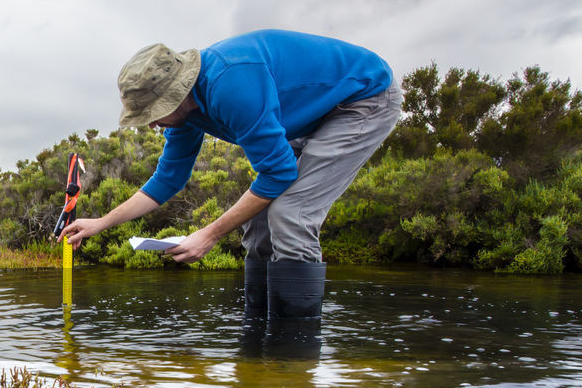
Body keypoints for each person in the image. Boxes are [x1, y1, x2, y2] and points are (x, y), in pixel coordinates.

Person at [58, 29, 402, 319]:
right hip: (310, 115)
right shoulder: (186, 113)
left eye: (155, 112)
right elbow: (168, 179)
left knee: (289, 213)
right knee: (260, 219)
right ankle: (257, 340)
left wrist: (209, 235)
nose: (151, 122)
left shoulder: (231, 85)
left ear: (178, 94)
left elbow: (278, 174)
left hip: (362, 100)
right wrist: (102, 222)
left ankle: (292, 355)